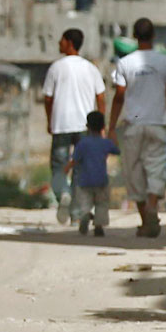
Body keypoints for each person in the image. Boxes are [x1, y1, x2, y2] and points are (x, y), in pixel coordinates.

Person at [107, 18, 166, 237]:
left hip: (133, 126)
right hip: (158, 124)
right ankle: (151, 208)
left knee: (134, 172)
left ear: (135, 37)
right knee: (156, 169)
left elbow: (119, 97)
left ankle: (145, 219)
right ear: (153, 36)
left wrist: (111, 127)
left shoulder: (125, 63)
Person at [41, 28, 107, 226]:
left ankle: (63, 194)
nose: (59, 44)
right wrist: (99, 124)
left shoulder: (56, 68)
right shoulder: (91, 68)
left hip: (61, 124)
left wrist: (49, 119)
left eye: (61, 40)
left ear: (69, 42)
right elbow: (101, 98)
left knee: (59, 167)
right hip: (85, 126)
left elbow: (47, 98)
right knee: (80, 169)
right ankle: (77, 213)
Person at [63, 111, 116, 236]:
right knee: (101, 203)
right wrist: (112, 138)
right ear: (103, 127)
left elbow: (75, 160)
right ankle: (98, 225)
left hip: (84, 180)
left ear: (87, 126)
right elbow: (116, 150)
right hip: (101, 180)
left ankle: (85, 214)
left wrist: (66, 168)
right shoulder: (105, 143)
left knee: (85, 202)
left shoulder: (82, 143)